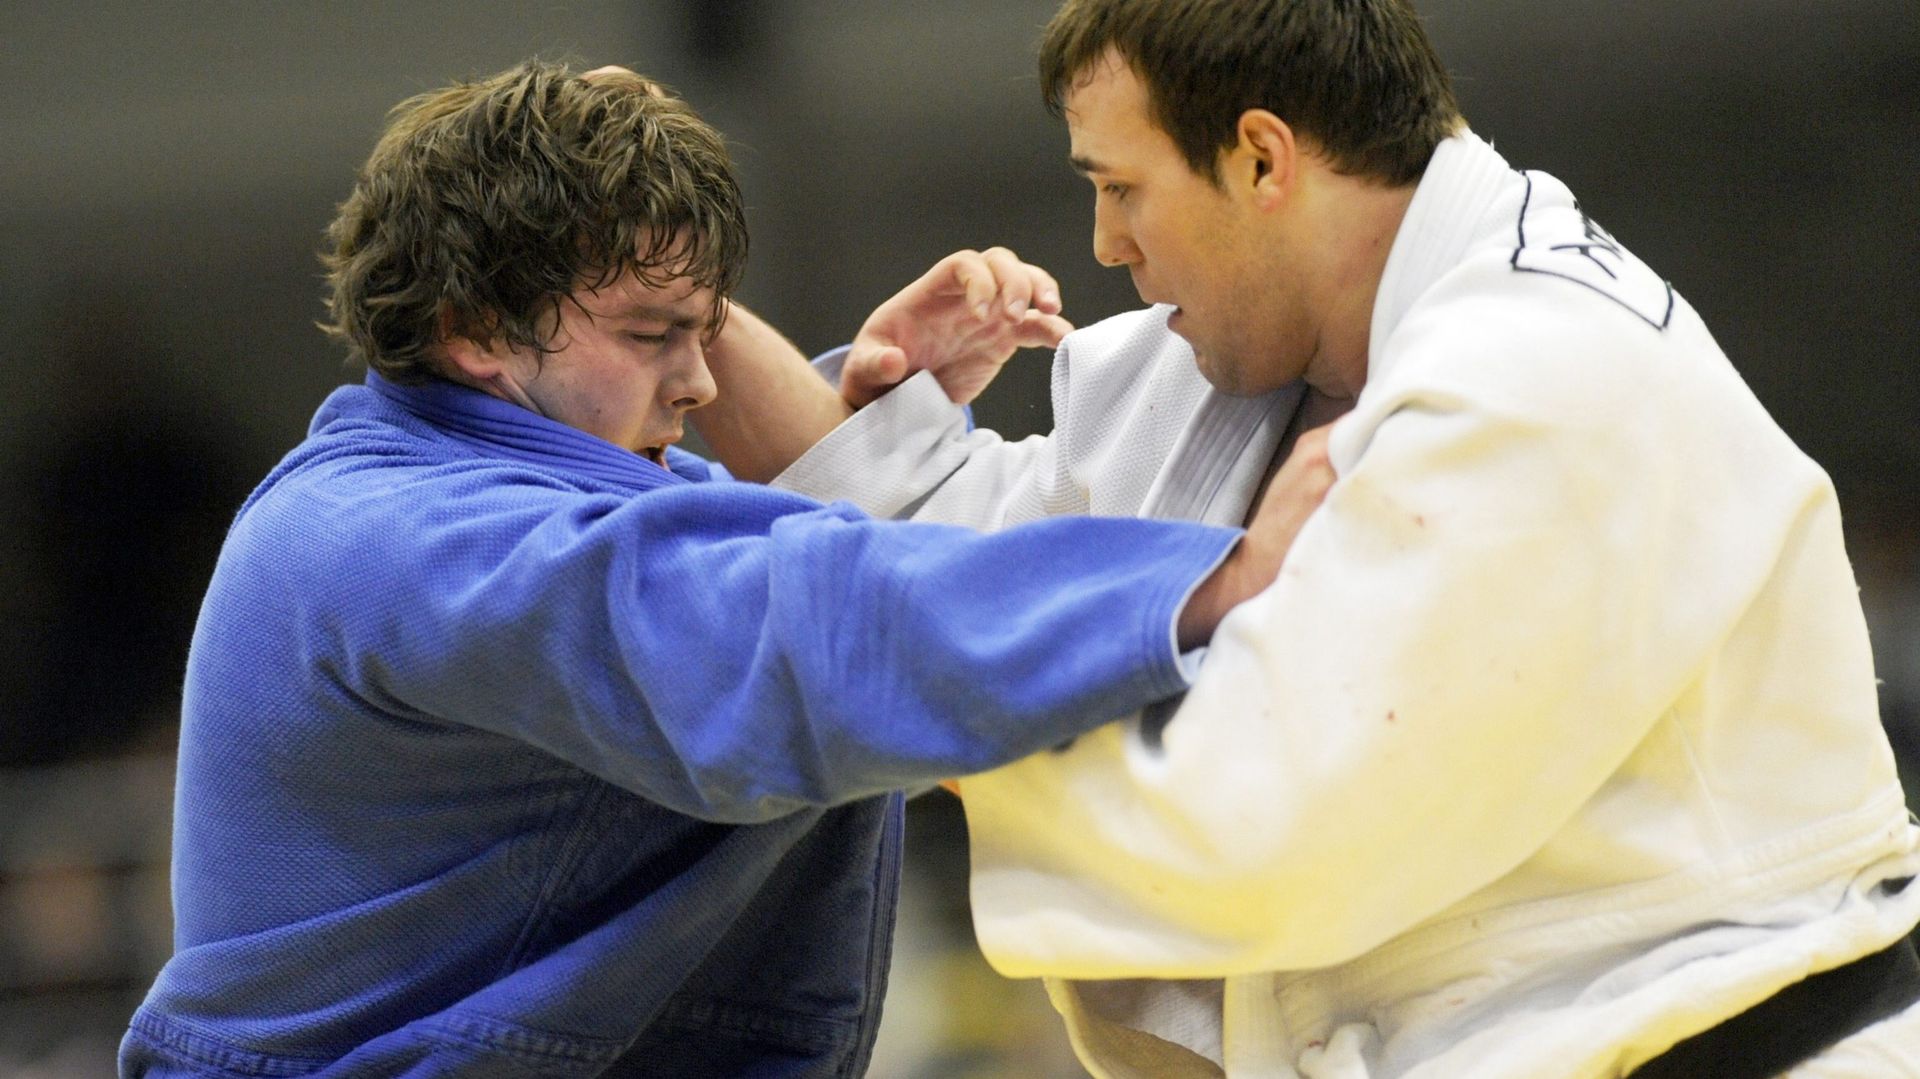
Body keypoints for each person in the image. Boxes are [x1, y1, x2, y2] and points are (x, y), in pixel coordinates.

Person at [709, 1, 1920, 1075]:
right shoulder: (1233, 363)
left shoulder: (1541, 378)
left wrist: (934, 706)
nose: (1103, 245)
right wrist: (687, 313)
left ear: (1261, 157)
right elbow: (965, 563)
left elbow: (1255, 831)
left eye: (1122, 187)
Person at [117, 60, 1318, 1078]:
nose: (697, 381)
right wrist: (1209, 579)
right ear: (472, 327)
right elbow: (787, 629)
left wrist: (862, 418)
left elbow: (778, 554)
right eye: (654, 334)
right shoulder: (393, 536)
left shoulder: (555, 483)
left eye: (707, 327)